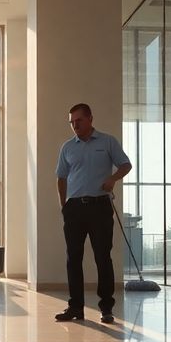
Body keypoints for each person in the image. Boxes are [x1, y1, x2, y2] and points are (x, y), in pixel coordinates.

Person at [54, 103, 133, 324]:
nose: (74, 125)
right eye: (71, 122)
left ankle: (106, 308)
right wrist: (64, 205)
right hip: (75, 208)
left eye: (78, 121)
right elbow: (60, 177)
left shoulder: (108, 142)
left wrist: (113, 179)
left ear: (90, 118)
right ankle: (75, 307)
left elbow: (126, 165)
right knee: (73, 258)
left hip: (100, 207)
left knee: (102, 257)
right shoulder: (67, 147)